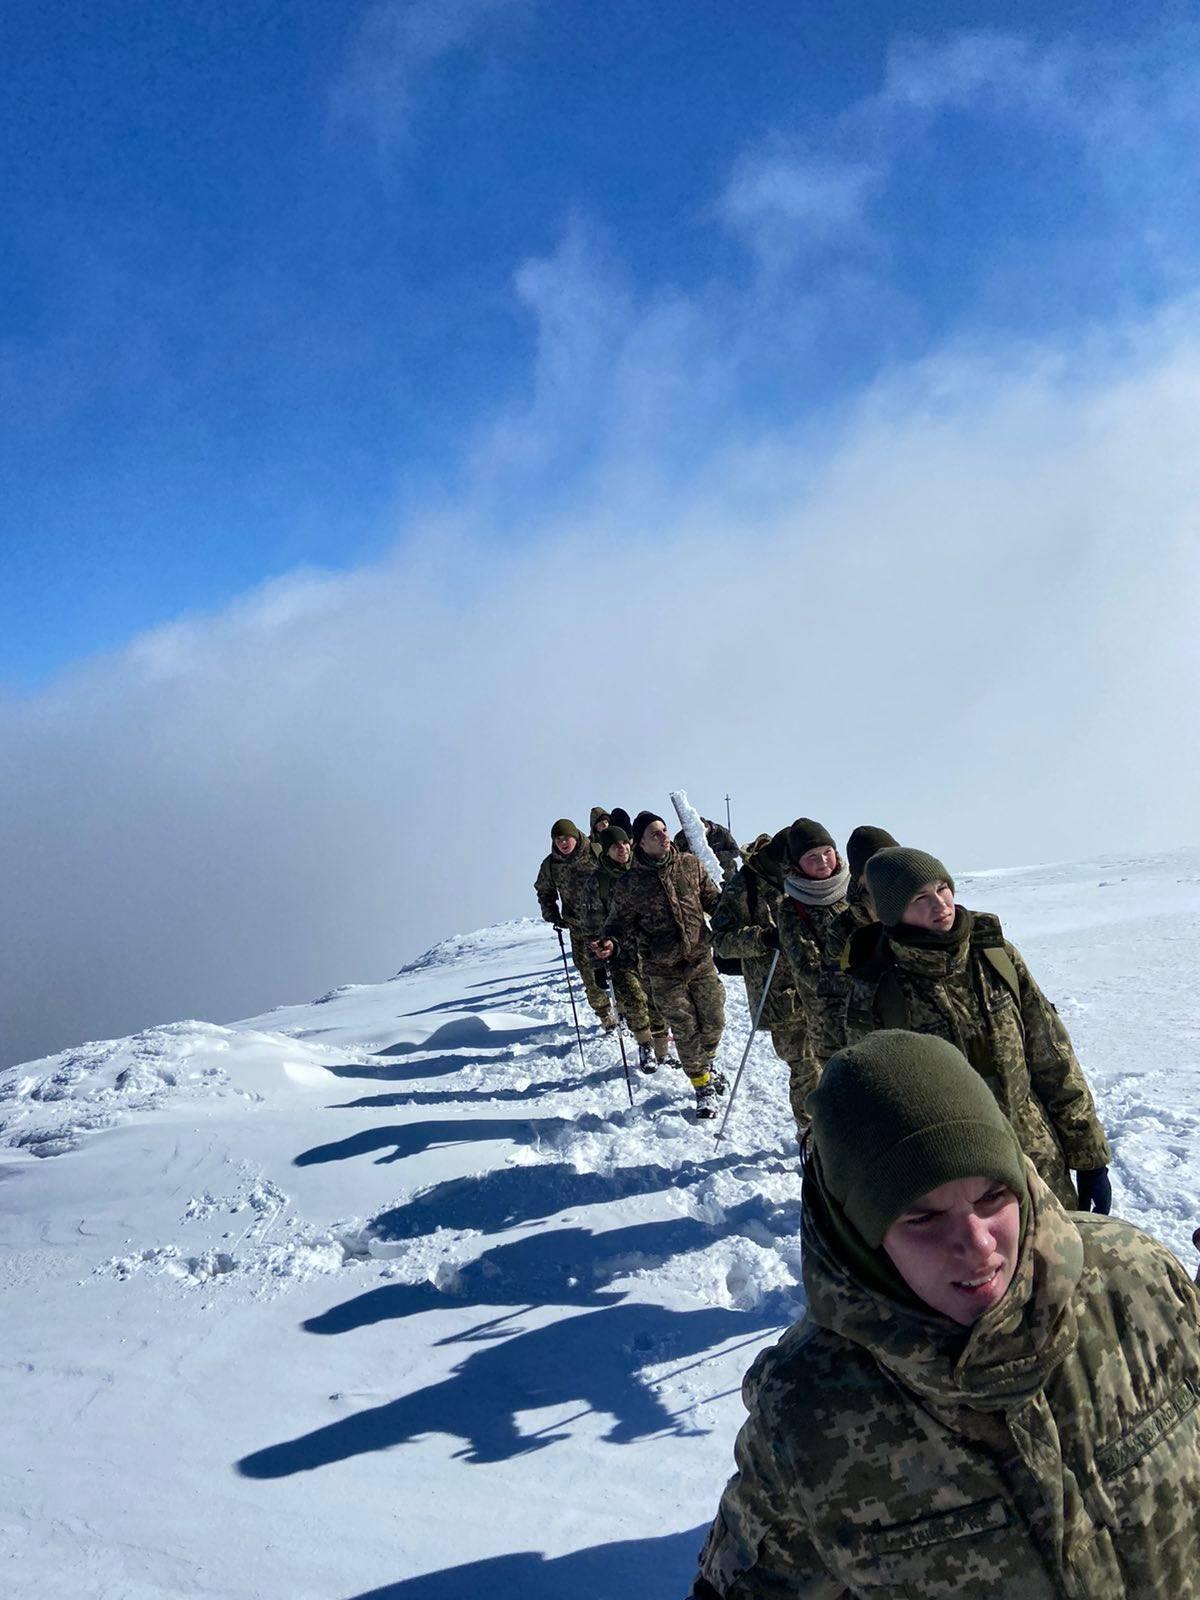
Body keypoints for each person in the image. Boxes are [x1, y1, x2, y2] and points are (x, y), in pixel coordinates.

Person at [693, 1030, 1200, 1600]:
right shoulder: (809, 1413)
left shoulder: (1135, 1280)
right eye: (922, 1218)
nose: (979, 1245)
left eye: (991, 1198)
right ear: (862, 1238)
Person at [847, 846, 1111, 1209]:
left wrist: (1089, 1155)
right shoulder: (876, 990)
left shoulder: (996, 955)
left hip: (1040, 1160)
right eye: (920, 897)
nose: (941, 904)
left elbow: (1051, 1055)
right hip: (956, 1183)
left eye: (942, 888)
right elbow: (875, 1109)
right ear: (894, 913)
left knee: (1063, 1263)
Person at [591, 811, 728, 1117]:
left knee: (714, 1020)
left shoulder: (689, 866)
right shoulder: (630, 884)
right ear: (639, 843)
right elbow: (617, 924)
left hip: (700, 959)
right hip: (662, 969)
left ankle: (707, 1063)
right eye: (655, 833)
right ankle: (702, 1086)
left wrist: (735, 914)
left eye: (664, 830)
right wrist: (609, 943)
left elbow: (714, 902)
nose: (664, 836)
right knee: (685, 1027)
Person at [711, 832, 809, 1108]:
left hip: (818, 989)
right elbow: (719, 941)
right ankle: (811, 1139)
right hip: (779, 997)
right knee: (805, 1071)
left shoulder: (807, 878)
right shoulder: (743, 887)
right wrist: (762, 938)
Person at [773, 819, 852, 1127]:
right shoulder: (792, 909)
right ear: (797, 864)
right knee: (835, 1089)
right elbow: (807, 970)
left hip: (867, 1011)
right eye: (812, 857)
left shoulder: (854, 892)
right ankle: (815, 1137)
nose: (822, 862)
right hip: (826, 1019)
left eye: (827, 852)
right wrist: (859, 977)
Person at [581, 827, 673, 1071]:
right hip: (619, 953)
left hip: (651, 949)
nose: (621, 849)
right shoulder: (598, 882)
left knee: (657, 1001)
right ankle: (645, 1045)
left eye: (624, 843)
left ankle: (663, 1050)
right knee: (633, 1000)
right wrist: (597, 962)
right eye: (615, 846)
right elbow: (591, 926)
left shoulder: (642, 870)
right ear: (606, 850)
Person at [534, 817, 614, 1030]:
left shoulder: (596, 851)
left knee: (620, 969)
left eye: (566, 837)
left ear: (575, 836)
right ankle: (606, 1015)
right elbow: (544, 890)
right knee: (589, 975)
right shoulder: (551, 865)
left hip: (609, 924)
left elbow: (617, 874)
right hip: (578, 929)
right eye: (558, 839)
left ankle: (626, 1010)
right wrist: (551, 914)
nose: (563, 842)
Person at [844, 823, 897, 929]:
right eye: (876, 867)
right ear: (860, 877)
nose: (886, 872)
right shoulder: (844, 927)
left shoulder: (927, 898)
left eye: (893, 862)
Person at [674, 817, 742, 881]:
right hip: (698, 874)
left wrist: (717, 856)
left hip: (726, 872)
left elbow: (736, 851)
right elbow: (676, 859)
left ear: (707, 829)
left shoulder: (721, 832)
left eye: (703, 834)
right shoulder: (682, 838)